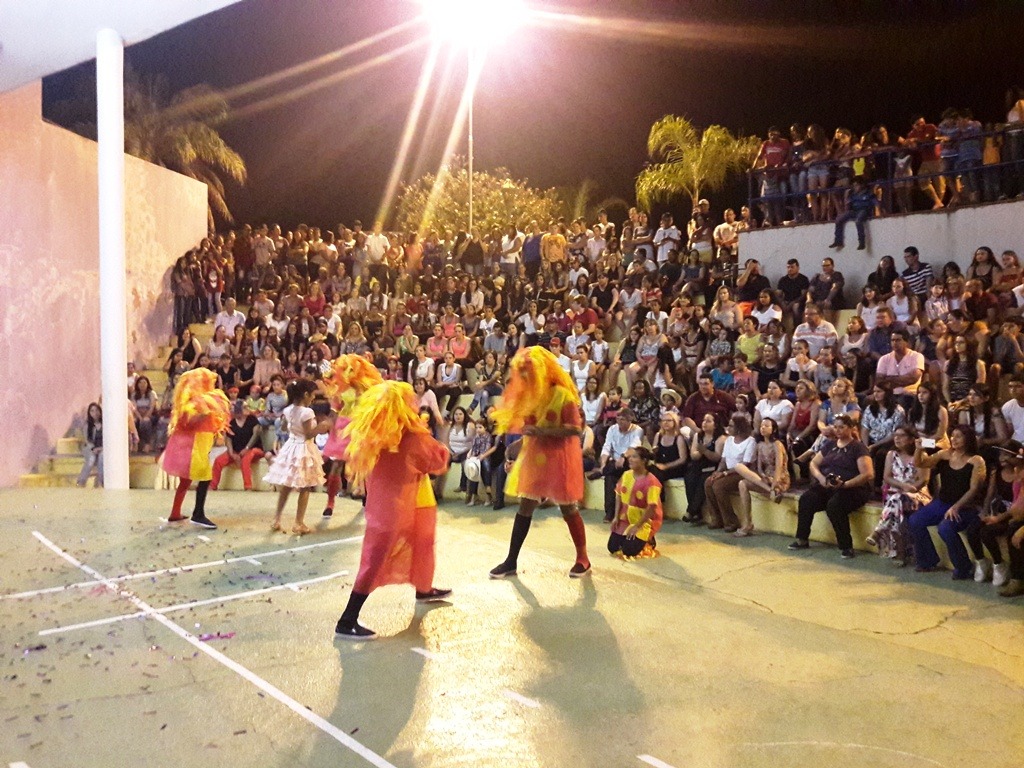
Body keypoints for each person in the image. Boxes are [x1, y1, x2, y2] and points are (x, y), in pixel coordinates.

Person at [334, 381, 452, 640]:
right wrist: (440, 435)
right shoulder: (411, 436)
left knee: (422, 540)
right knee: (374, 562)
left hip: (390, 505)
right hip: (397, 508)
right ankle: (347, 620)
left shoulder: (373, 436)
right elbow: (439, 460)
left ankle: (423, 588)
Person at [488, 346, 592, 579]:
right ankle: (511, 561)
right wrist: (516, 448)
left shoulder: (563, 395)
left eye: (528, 371)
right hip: (536, 456)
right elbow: (531, 431)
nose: (524, 377)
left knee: (568, 507)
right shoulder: (530, 397)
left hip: (560, 458)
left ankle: (583, 559)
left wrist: (543, 431)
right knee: (525, 505)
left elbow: (576, 429)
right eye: (522, 372)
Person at [788, 414, 874, 558]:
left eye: (842, 427)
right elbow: (814, 463)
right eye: (836, 427)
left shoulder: (858, 448)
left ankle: (846, 546)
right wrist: (821, 478)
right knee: (807, 499)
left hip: (853, 488)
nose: (838, 430)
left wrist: (846, 485)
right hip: (829, 485)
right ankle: (802, 538)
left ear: (851, 428)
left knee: (834, 506)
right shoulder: (830, 445)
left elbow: (868, 474)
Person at [909, 427, 987, 579]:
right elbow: (921, 463)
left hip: (966, 507)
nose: (954, 439)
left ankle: (964, 567)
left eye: (959, 436)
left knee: (945, 527)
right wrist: (919, 449)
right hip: (943, 502)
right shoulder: (945, 454)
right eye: (953, 436)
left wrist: (956, 506)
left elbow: (974, 489)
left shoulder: (976, 461)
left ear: (968, 439)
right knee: (915, 520)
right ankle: (927, 560)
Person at [160, 368, 230, 529]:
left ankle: (175, 513)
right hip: (193, 448)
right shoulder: (191, 403)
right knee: (205, 477)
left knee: (185, 481)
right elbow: (189, 422)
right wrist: (206, 414)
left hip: (196, 446)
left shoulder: (201, 401)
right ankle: (198, 514)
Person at [319, 355, 383, 517]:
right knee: (336, 465)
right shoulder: (340, 389)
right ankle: (330, 502)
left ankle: (369, 498)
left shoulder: (366, 388)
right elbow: (335, 409)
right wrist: (330, 426)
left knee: (365, 466)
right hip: (342, 427)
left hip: (359, 427)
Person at [263, 380, 330, 535]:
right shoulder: (307, 412)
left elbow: (285, 427)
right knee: (305, 487)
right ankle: (299, 522)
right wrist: (322, 427)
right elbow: (308, 434)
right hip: (303, 448)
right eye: (312, 395)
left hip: (290, 447)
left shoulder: (288, 410)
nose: (313, 398)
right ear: (305, 395)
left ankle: (276, 519)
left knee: (286, 486)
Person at [867, 426, 931, 565]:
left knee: (897, 501)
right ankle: (900, 551)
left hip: (917, 493)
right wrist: (902, 487)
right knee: (898, 502)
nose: (897, 438)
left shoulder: (921, 455)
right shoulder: (891, 454)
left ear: (911, 439)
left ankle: (882, 534)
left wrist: (910, 489)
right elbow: (887, 477)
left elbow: (924, 479)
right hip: (896, 492)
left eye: (901, 436)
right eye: (895, 435)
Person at [735, 416, 790, 535]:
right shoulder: (759, 445)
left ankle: (773, 490)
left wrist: (774, 482)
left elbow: (779, 467)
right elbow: (759, 468)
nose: (763, 428)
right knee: (742, 482)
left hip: (779, 479)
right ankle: (747, 523)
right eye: (761, 426)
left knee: (742, 473)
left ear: (773, 429)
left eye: (766, 426)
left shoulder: (777, 444)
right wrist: (763, 477)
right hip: (766, 480)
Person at [703, 414, 756, 532]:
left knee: (718, 486)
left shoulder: (750, 442)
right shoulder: (729, 440)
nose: (728, 428)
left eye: (731, 426)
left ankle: (731, 520)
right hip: (728, 471)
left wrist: (725, 473)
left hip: (742, 473)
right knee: (708, 482)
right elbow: (723, 460)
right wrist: (718, 472)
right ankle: (716, 518)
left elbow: (745, 464)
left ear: (739, 428)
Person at [609, 447, 664, 559]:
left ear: (643, 461)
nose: (630, 459)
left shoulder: (652, 481)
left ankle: (649, 539)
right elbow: (619, 495)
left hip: (643, 521)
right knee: (613, 547)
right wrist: (616, 517)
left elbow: (651, 508)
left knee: (629, 551)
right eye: (630, 457)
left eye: (634, 457)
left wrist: (637, 526)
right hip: (625, 518)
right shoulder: (626, 475)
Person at [597, 408, 645, 522]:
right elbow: (606, 447)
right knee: (609, 477)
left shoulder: (638, 430)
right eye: (618, 419)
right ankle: (610, 513)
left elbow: (634, 448)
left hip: (629, 462)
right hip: (615, 463)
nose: (619, 422)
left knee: (611, 470)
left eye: (623, 419)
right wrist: (603, 463)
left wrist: (623, 457)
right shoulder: (612, 429)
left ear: (629, 421)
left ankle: (602, 472)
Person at [210, 400, 264, 491]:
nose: (248, 409)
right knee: (218, 461)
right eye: (245, 407)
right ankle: (212, 485)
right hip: (237, 451)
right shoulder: (232, 423)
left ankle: (248, 486)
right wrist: (231, 453)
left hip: (253, 449)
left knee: (246, 459)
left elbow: (256, 435)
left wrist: (247, 448)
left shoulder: (252, 419)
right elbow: (229, 439)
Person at [828, 176, 875, 250]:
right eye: (854, 186)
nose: (855, 187)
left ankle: (861, 242)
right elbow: (847, 206)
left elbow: (875, 203)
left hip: (864, 210)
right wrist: (847, 197)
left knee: (858, 221)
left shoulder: (869, 194)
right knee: (839, 220)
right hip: (854, 211)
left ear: (862, 185)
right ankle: (838, 240)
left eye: (856, 185)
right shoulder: (852, 194)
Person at [76, 402, 104, 488]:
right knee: (91, 459)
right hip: (90, 448)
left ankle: (101, 482)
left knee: (101, 458)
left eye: (96, 410)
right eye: (92, 411)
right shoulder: (87, 425)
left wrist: (100, 448)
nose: (95, 413)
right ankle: (81, 482)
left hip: (103, 448)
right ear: (89, 413)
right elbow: (87, 440)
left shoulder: (106, 424)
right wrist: (93, 449)